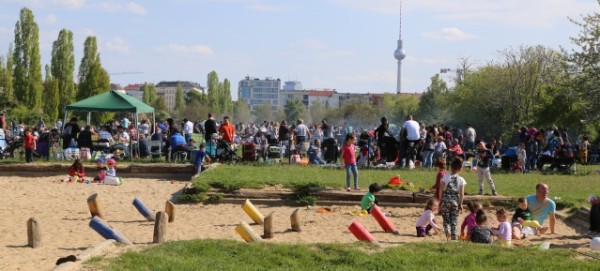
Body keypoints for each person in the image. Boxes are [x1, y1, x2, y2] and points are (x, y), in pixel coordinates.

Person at [440, 157, 466, 240]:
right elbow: (461, 193)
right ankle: (454, 236)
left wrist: (441, 200)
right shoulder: (461, 179)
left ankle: (447, 231)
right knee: (454, 220)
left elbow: (441, 189)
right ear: (460, 169)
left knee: (446, 219)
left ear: (450, 167)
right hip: (455, 201)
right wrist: (461, 204)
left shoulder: (445, 177)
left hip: (445, 199)